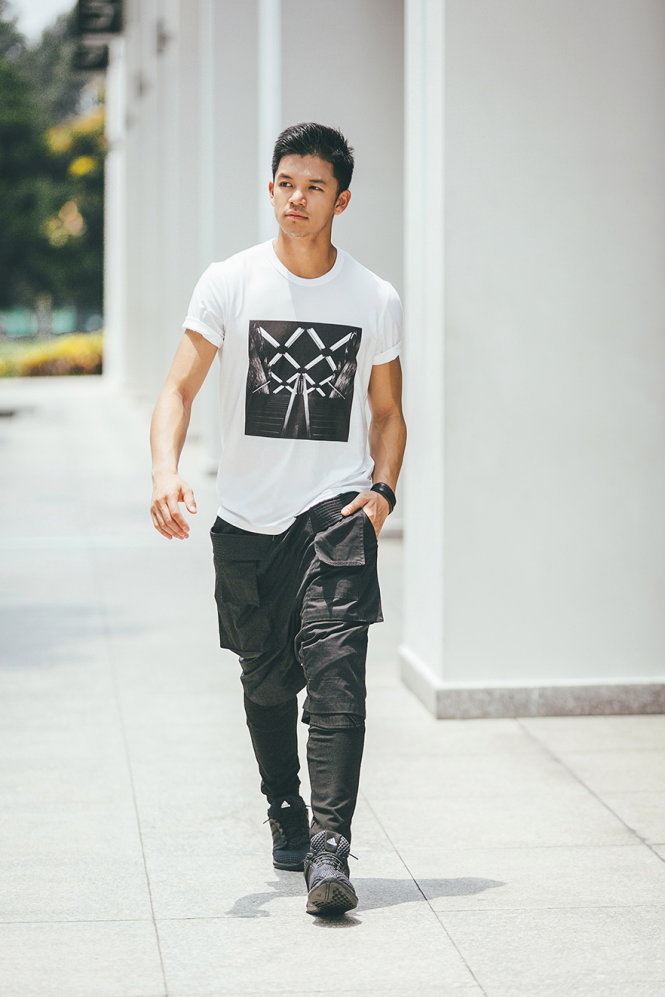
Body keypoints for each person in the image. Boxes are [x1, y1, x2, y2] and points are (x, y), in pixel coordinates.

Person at [149, 122, 407, 917]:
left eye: (314, 186)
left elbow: (387, 412)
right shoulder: (229, 282)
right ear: (271, 189)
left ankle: (330, 846)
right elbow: (177, 389)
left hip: (333, 513)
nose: (297, 198)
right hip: (247, 521)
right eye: (286, 183)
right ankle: (285, 807)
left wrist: (383, 489)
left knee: (337, 680)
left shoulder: (372, 297)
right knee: (263, 681)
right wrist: (165, 471)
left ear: (341, 200)